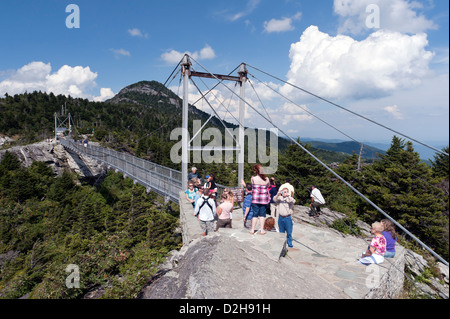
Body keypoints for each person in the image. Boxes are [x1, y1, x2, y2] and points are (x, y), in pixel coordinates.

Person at [249, 164, 270, 235]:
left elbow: (252, 186)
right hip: (263, 200)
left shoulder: (253, 179)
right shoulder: (267, 179)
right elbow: (268, 186)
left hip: (255, 199)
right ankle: (262, 230)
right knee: (262, 215)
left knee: (254, 215)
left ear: (256, 171)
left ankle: (252, 229)